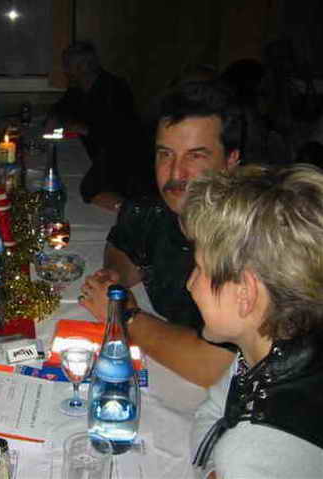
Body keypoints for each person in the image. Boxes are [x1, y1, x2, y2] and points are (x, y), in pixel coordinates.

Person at [80, 81, 242, 388]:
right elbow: (122, 246)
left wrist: (124, 314)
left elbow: (210, 365)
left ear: (231, 161)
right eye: (166, 154)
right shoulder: (152, 211)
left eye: (195, 156)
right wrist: (117, 274)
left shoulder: (247, 240)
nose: (176, 173)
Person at [185, 164, 323, 478]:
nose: (190, 284)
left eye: (200, 269)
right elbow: (213, 410)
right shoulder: (279, 346)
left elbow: (217, 426)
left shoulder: (253, 454)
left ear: (245, 293)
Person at [47, 41, 150, 211]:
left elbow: (124, 135)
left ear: (83, 67)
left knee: (81, 193)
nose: (65, 71)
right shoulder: (77, 89)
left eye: (68, 66)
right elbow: (60, 108)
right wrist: (55, 116)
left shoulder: (115, 88)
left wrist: (85, 129)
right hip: (87, 155)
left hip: (119, 165)